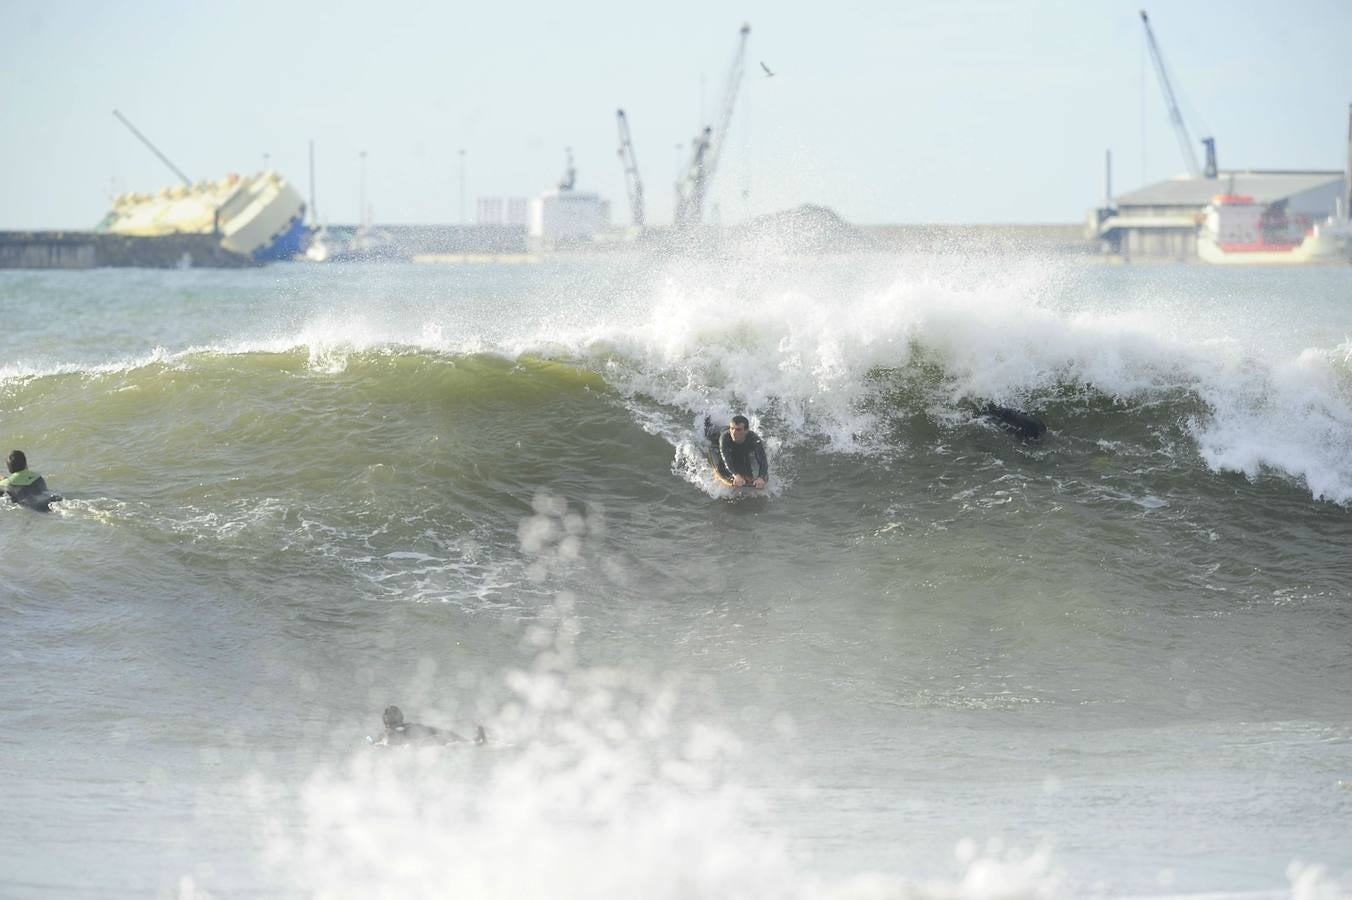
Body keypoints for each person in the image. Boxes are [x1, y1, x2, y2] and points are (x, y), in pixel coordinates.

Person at [703, 414, 769, 489]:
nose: (733, 433)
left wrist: (761, 477)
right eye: (732, 428)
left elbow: (763, 460)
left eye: (738, 429)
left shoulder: (754, 439)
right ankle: (706, 417)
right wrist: (736, 475)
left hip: (739, 446)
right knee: (707, 428)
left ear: (746, 430)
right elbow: (726, 458)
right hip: (715, 439)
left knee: (745, 469)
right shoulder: (724, 438)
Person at [372, 705, 487, 747]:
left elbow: (371, 741)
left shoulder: (386, 733)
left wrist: (368, 739)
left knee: (443, 734)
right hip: (418, 742)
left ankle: (473, 742)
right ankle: (473, 742)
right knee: (443, 735)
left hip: (417, 738)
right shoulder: (389, 733)